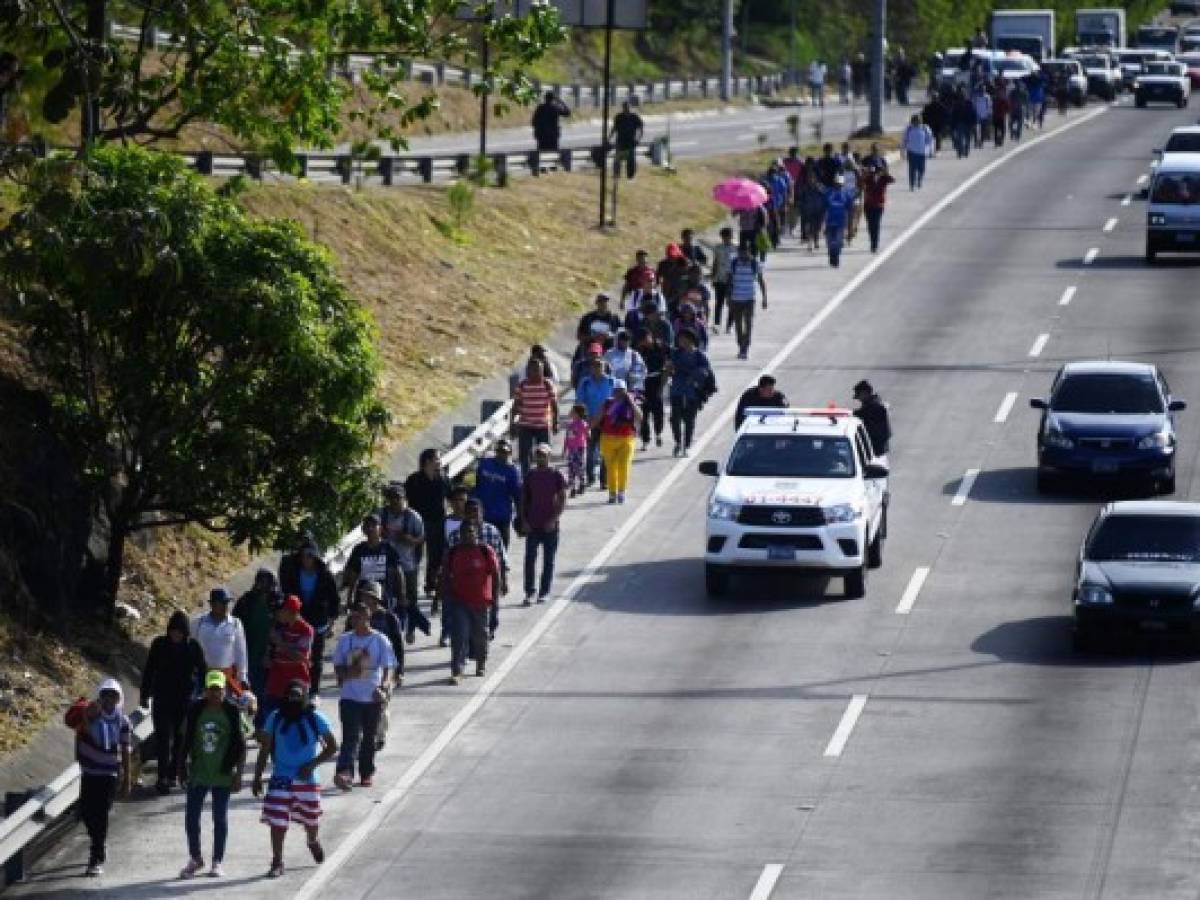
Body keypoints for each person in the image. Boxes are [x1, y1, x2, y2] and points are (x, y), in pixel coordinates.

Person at [253, 678, 338, 879]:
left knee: (311, 820)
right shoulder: (275, 717)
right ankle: (277, 861)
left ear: (304, 697)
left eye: (297, 697)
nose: (293, 700)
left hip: (307, 778)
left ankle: (312, 840)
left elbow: (332, 746)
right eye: (290, 696)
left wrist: (312, 764)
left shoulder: (315, 718)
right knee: (277, 820)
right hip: (281, 776)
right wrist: (257, 776)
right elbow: (265, 748)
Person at [177, 670, 247, 880]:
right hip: (199, 772)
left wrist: (238, 774)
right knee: (191, 818)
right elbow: (185, 740)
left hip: (223, 773)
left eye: (219, 689)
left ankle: (217, 861)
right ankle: (195, 858)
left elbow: (241, 746)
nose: (216, 693)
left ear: (225, 690)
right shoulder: (195, 710)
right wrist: (181, 768)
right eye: (212, 689)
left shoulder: (232, 711)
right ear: (205, 691)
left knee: (220, 818)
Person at [66, 678, 132, 877]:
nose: (109, 699)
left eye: (114, 695)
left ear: (118, 698)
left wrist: (127, 778)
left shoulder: (123, 721)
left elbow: (125, 750)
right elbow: (77, 727)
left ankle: (95, 857)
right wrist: (86, 716)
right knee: (86, 813)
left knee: (101, 814)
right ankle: (99, 843)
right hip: (89, 773)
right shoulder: (91, 713)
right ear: (100, 696)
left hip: (109, 775)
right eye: (106, 694)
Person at [332, 600, 396, 789]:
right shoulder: (345, 640)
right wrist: (345, 673)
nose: (354, 620)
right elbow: (337, 666)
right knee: (350, 736)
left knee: (369, 737)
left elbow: (388, 668)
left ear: (368, 617)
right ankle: (345, 772)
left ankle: (366, 772)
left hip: (372, 697)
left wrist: (383, 687)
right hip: (350, 696)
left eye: (358, 617)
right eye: (352, 617)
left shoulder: (380, 640)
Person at [140, 610, 205, 795]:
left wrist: (200, 693)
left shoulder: (193, 647)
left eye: (180, 631)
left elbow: (203, 671)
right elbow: (149, 670)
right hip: (162, 698)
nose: (176, 635)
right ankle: (161, 777)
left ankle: (172, 774)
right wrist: (144, 695)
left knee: (180, 739)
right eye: (173, 631)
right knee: (162, 738)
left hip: (184, 701)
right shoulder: (159, 645)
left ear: (185, 633)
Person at [278, 536, 339, 699]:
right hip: (297, 621)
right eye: (305, 554)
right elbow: (285, 592)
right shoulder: (292, 572)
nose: (307, 558)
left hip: (318, 622)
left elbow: (334, 601)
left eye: (311, 555)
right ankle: (296, 689)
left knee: (316, 657)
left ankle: (314, 692)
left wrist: (331, 624)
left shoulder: (325, 575)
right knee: (297, 656)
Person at [440, 523, 501, 684]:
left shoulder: (485, 551)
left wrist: (495, 598)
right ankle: (457, 670)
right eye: (464, 532)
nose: (468, 535)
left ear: (476, 533)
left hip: (481, 602)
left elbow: (495, 574)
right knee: (459, 636)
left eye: (471, 531)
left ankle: (481, 663)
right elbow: (445, 576)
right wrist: (440, 598)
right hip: (459, 601)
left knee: (481, 635)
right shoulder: (454, 553)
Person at [350, 581, 404, 748]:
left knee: (380, 703)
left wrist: (399, 671)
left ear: (376, 599)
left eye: (369, 596)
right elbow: (352, 642)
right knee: (359, 703)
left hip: (385, 669)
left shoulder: (389, 619)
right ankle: (361, 736)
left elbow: (398, 646)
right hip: (362, 668)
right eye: (363, 596)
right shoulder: (356, 618)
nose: (365, 599)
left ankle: (379, 735)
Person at [378, 482, 428, 641]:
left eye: (398, 498)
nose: (395, 501)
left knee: (410, 599)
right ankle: (391, 629)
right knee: (387, 597)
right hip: (386, 565)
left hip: (408, 564)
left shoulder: (413, 517)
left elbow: (422, 539)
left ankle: (411, 629)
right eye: (392, 498)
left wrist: (410, 540)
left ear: (405, 499)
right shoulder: (381, 514)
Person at [519, 443, 567, 605]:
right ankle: (529, 592)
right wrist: (524, 521)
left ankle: (544, 592)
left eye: (544, 454)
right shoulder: (530, 475)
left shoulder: (556, 475)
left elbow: (562, 499)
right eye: (538, 454)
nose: (541, 457)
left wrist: (554, 519)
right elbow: (523, 500)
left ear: (549, 456)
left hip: (550, 526)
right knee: (530, 560)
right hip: (532, 525)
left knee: (548, 561)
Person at [404, 448, 452, 599]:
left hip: (438, 522)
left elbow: (450, 497)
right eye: (437, 459)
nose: (440, 462)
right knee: (415, 556)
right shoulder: (414, 480)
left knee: (435, 556)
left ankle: (430, 585)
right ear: (427, 461)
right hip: (417, 523)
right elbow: (405, 502)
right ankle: (411, 586)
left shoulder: (443, 479)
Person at [263, 595, 314, 725]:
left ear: (291, 611)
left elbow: (300, 657)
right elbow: (271, 648)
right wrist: (268, 656)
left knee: (295, 719)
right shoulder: (279, 626)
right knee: (271, 717)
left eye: (281, 610)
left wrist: (281, 643)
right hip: (276, 680)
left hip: (296, 680)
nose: (278, 614)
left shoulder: (306, 630)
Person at [342, 512, 405, 615]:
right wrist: (350, 598)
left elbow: (399, 572)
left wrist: (402, 595)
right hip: (363, 598)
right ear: (363, 529)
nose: (370, 528)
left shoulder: (388, 548)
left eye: (373, 525)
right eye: (367, 525)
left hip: (384, 597)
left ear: (380, 529)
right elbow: (353, 575)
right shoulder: (359, 549)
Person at [593, 381, 643, 504]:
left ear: (626, 390)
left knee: (624, 466)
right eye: (617, 390)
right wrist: (588, 428)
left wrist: (631, 402)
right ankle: (612, 493)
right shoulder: (608, 403)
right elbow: (597, 419)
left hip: (626, 439)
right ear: (613, 391)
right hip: (608, 439)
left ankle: (621, 492)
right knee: (611, 468)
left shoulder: (631, 402)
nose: (619, 393)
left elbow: (640, 417)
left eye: (622, 390)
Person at [193, 587, 248, 696]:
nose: (225, 606)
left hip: (226, 676)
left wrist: (242, 676)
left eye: (227, 602)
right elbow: (192, 647)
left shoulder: (235, 624)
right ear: (212, 604)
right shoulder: (198, 623)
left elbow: (240, 652)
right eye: (222, 603)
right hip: (203, 674)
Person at [666, 328, 713, 457]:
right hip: (677, 389)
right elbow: (669, 370)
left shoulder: (700, 356)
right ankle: (677, 442)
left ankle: (687, 445)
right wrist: (669, 369)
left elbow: (706, 371)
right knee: (674, 418)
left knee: (689, 419)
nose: (680, 341)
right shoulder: (675, 353)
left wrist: (694, 376)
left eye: (683, 338)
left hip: (693, 391)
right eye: (679, 339)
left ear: (690, 340)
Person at [233, 569, 277, 706]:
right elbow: (234, 627)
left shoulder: (277, 603)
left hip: (272, 660)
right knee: (250, 694)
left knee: (269, 697)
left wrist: (272, 654)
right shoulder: (245, 602)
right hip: (249, 657)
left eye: (267, 583)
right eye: (261, 582)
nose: (263, 586)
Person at [511, 359, 559, 475]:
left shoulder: (547, 384)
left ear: (542, 371)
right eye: (532, 370)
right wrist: (512, 424)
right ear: (528, 371)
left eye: (538, 370)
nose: (535, 373)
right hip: (525, 425)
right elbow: (516, 405)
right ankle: (527, 478)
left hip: (542, 425)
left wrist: (555, 422)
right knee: (524, 454)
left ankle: (543, 476)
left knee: (544, 454)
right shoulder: (522, 385)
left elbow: (554, 405)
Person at [576, 354, 616, 489]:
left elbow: (616, 401)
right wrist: (584, 418)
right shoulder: (585, 382)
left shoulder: (611, 382)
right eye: (594, 365)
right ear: (591, 368)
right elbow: (580, 401)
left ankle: (603, 480)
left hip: (607, 422)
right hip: (590, 420)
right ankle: (590, 477)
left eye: (600, 365)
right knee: (590, 450)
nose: (597, 368)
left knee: (605, 451)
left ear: (604, 367)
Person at [471, 440, 521, 546]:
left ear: (510, 453)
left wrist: (520, 517)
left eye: (505, 452)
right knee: (481, 549)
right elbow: (477, 485)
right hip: (482, 515)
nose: (502, 454)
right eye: (499, 451)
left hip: (501, 517)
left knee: (501, 549)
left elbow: (517, 496)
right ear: (495, 451)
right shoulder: (485, 463)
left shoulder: (512, 472)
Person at [726, 241, 767, 359]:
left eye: (745, 252)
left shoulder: (755, 263)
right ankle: (740, 345)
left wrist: (764, 298)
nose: (742, 255)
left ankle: (745, 348)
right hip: (736, 299)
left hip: (749, 299)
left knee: (748, 324)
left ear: (749, 251)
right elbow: (729, 281)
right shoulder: (733, 263)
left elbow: (761, 281)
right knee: (738, 325)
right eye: (740, 252)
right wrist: (728, 297)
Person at [636, 328, 668, 451]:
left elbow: (667, 364)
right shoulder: (638, 351)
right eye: (642, 340)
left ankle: (658, 433)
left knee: (658, 411)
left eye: (646, 339)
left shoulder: (660, 347)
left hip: (657, 381)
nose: (644, 342)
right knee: (643, 413)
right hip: (642, 383)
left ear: (650, 336)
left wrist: (663, 384)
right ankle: (645, 440)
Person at [861, 162, 896, 254]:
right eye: (875, 170)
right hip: (868, 205)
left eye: (878, 170)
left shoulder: (884, 179)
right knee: (870, 225)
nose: (877, 172)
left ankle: (874, 244)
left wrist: (886, 172)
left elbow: (893, 180)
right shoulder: (868, 178)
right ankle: (872, 241)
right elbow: (860, 183)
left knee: (876, 224)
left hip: (878, 205)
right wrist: (865, 173)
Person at [853, 380, 893, 456]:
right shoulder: (871, 405)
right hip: (874, 447)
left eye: (859, 395)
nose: (859, 399)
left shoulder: (875, 407)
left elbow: (863, 414)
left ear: (865, 393)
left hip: (876, 448)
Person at [824, 174, 852, 268]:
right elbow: (824, 207)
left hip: (840, 222)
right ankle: (832, 258)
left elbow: (849, 209)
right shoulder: (828, 193)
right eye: (836, 184)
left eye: (840, 184)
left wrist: (849, 225)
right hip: (830, 222)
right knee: (830, 242)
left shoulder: (846, 194)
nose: (838, 186)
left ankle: (836, 259)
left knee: (838, 242)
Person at [710, 227, 736, 331]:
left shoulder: (735, 249)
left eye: (728, 236)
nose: (726, 239)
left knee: (731, 303)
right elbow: (715, 262)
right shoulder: (718, 248)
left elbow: (736, 264)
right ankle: (717, 324)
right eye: (724, 237)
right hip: (719, 278)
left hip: (731, 280)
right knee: (719, 302)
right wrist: (713, 276)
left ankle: (729, 325)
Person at [610, 101, 643, 179]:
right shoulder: (619, 117)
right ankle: (616, 175)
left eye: (628, 107)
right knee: (617, 159)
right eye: (625, 107)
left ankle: (630, 176)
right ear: (623, 108)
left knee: (630, 160)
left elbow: (640, 129)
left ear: (630, 108)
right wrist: (609, 138)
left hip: (631, 142)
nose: (626, 109)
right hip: (620, 141)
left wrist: (638, 139)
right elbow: (614, 128)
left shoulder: (634, 117)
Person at [563, 402, 589, 497]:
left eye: (572, 412)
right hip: (571, 450)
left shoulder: (582, 424)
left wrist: (585, 436)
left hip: (580, 448)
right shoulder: (570, 425)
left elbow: (587, 433)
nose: (570, 413)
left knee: (580, 467)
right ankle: (572, 488)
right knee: (571, 469)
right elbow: (567, 438)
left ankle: (582, 484)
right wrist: (564, 450)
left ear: (577, 414)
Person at [797, 169, 827, 252]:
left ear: (815, 178)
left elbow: (825, 196)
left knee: (817, 227)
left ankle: (816, 241)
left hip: (819, 210)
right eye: (809, 178)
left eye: (812, 178)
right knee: (810, 227)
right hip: (808, 210)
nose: (811, 179)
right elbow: (801, 199)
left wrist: (825, 208)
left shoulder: (820, 186)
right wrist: (801, 207)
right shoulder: (805, 188)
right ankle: (810, 243)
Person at [902, 114, 933, 191]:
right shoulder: (909, 129)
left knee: (921, 169)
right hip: (911, 152)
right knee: (912, 169)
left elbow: (930, 139)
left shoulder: (925, 128)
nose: (916, 122)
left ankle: (919, 180)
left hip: (922, 152)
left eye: (918, 121)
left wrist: (930, 150)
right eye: (915, 121)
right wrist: (902, 150)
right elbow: (904, 140)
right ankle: (912, 184)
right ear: (912, 121)